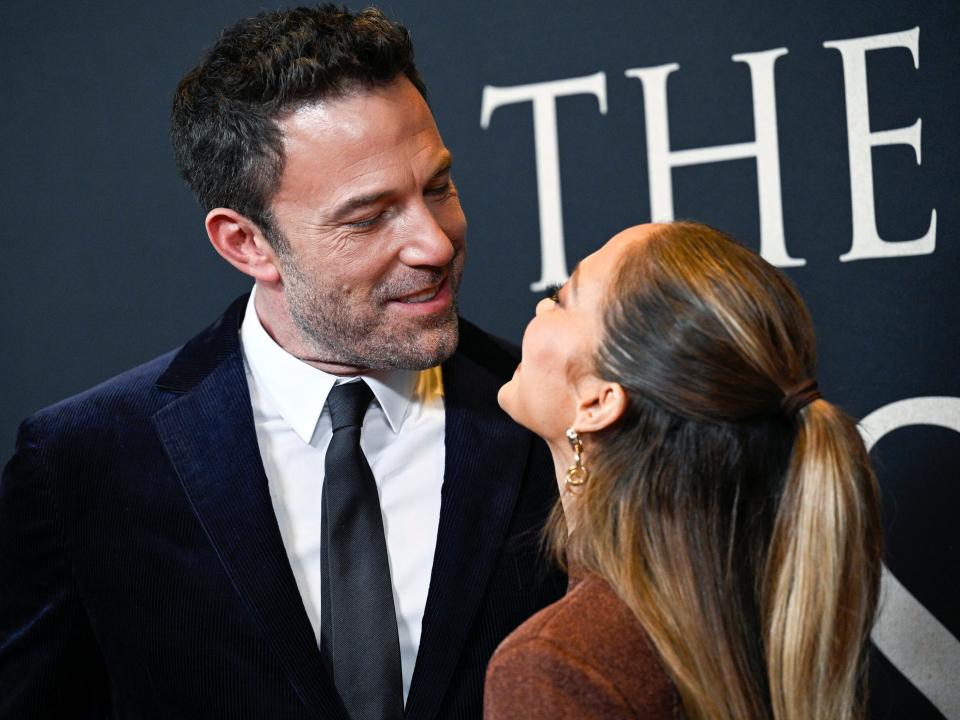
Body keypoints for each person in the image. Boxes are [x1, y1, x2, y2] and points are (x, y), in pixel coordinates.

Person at [0, 6, 565, 719]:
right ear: (247, 244)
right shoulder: (84, 464)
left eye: (438, 188)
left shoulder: (554, 421)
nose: (433, 244)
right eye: (369, 217)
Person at [485, 221, 883, 720]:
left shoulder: (556, 666)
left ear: (597, 403)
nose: (542, 307)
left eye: (563, 300)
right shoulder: (771, 605)